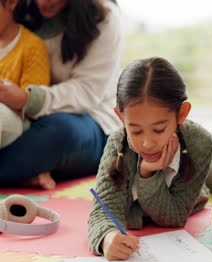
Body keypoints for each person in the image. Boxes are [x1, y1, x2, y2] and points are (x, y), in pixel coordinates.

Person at [87, 57, 212, 261]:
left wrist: (147, 174)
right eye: (135, 131)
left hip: (201, 181)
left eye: (158, 129)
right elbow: (103, 212)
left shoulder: (200, 143)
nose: (146, 143)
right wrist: (107, 237)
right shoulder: (118, 143)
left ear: (181, 113)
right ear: (121, 118)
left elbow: (173, 217)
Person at [0, 0, 123, 189]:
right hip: (26, 115)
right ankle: (27, 173)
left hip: (88, 118)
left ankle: (27, 169)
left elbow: (87, 92)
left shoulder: (104, 16)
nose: (43, 2)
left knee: (58, 132)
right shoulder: (17, 9)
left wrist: (28, 99)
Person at [0, 0, 50, 149]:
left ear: (11, 3)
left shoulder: (32, 46)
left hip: (16, 120)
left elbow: (32, 108)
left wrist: (11, 95)